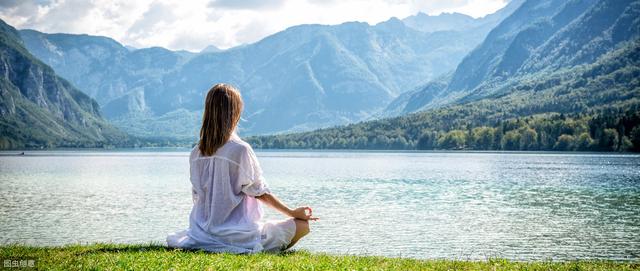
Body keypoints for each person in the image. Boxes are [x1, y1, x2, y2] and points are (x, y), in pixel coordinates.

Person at [167, 83, 317, 253]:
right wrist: (292, 212)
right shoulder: (240, 149)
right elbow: (260, 192)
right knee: (302, 226)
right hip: (236, 235)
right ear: (235, 112)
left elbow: (197, 195)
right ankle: (263, 249)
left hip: (201, 232)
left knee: (279, 226)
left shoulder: (196, 152)